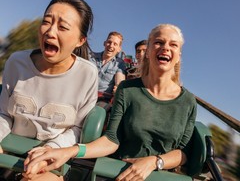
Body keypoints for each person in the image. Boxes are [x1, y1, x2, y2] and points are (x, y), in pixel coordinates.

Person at [24, 24, 197, 181]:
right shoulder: (127, 89)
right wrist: (69, 151)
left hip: (159, 174)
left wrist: (153, 162)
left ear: (178, 55)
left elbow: (183, 152)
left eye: (173, 44)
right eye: (159, 42)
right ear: (149, 50)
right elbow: (112, 140)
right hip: (120, 172)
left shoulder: (188, 101)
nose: (166, 47)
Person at [0, 0, 98, 181]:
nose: (50, 32)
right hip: (8, 149)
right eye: (46, 22)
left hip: (51, 162)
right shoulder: (16, 62)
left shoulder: (87, 74)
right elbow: (4, 113)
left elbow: (78, 129)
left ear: (80, 41)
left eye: (63, 27)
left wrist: (50, 149)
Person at [90, 32, 126, 110]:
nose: (111, 46)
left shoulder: (119, 63)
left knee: (97, 113)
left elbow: (119, 81)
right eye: (109, 42)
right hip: (85, 94)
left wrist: (118, 87)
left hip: (102, 99)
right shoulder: (91, 57)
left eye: (115, 44)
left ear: (119, 49)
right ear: (104, 43)